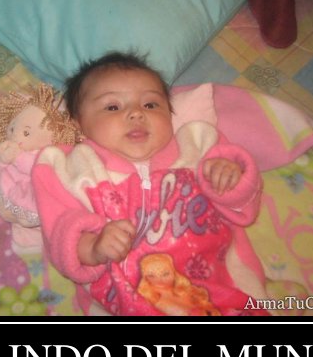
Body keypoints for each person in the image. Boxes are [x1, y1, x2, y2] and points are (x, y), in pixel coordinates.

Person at [31, 52, 269, 316]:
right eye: (113, 107)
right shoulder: (72, 168)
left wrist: (229, 177)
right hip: (127, 301)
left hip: (222, 291)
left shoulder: (197, 145)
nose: (136, 113)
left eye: (150, 104)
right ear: (78, 124)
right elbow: (60, 229)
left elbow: (243, 207)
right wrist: (92, 248)